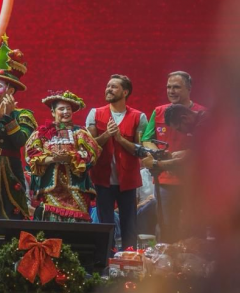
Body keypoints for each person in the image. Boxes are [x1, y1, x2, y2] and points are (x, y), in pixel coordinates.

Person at [140, 71, 207, 242]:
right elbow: (147, 139)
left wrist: (162, 162)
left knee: (194, 227)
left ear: (189, 88)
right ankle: (165, 257)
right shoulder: (159, 111)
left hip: (194, 182)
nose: (171, 91)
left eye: (176, 87)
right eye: (168, 87)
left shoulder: (202, 114)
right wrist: (159, 154)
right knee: (166, 226)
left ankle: (194, 258)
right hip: (165, 180)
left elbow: (203, 151)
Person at [0, 35, 37, 225]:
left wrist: (8, 117)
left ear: (10, 91)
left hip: (11, 169)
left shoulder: (23, 115)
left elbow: (20, 141)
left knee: (12, 210)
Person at [87, 74, 148, 250]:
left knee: (129, 226)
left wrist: (120, 139)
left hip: (127, 181)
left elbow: (140, 149)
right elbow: (90, 145)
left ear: (125, 92)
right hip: (102, 180)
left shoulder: (139, 117)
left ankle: (129, 259)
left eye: (114, 87)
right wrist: (107, 135)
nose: (109, 89)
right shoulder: (95, 113)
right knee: (105, 225)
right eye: (108, 86)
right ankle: (105, 259)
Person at [26, 91, 101, 222]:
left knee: (76, 222)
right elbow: (31, 154)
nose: (66, 112)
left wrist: (70, 158)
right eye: (61, 109)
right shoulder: (41, 132)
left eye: (68, 109)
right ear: (53, 112)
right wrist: (52, 159)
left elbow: (92, 154)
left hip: (76, 188)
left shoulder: (80, 132)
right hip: (51, 189)